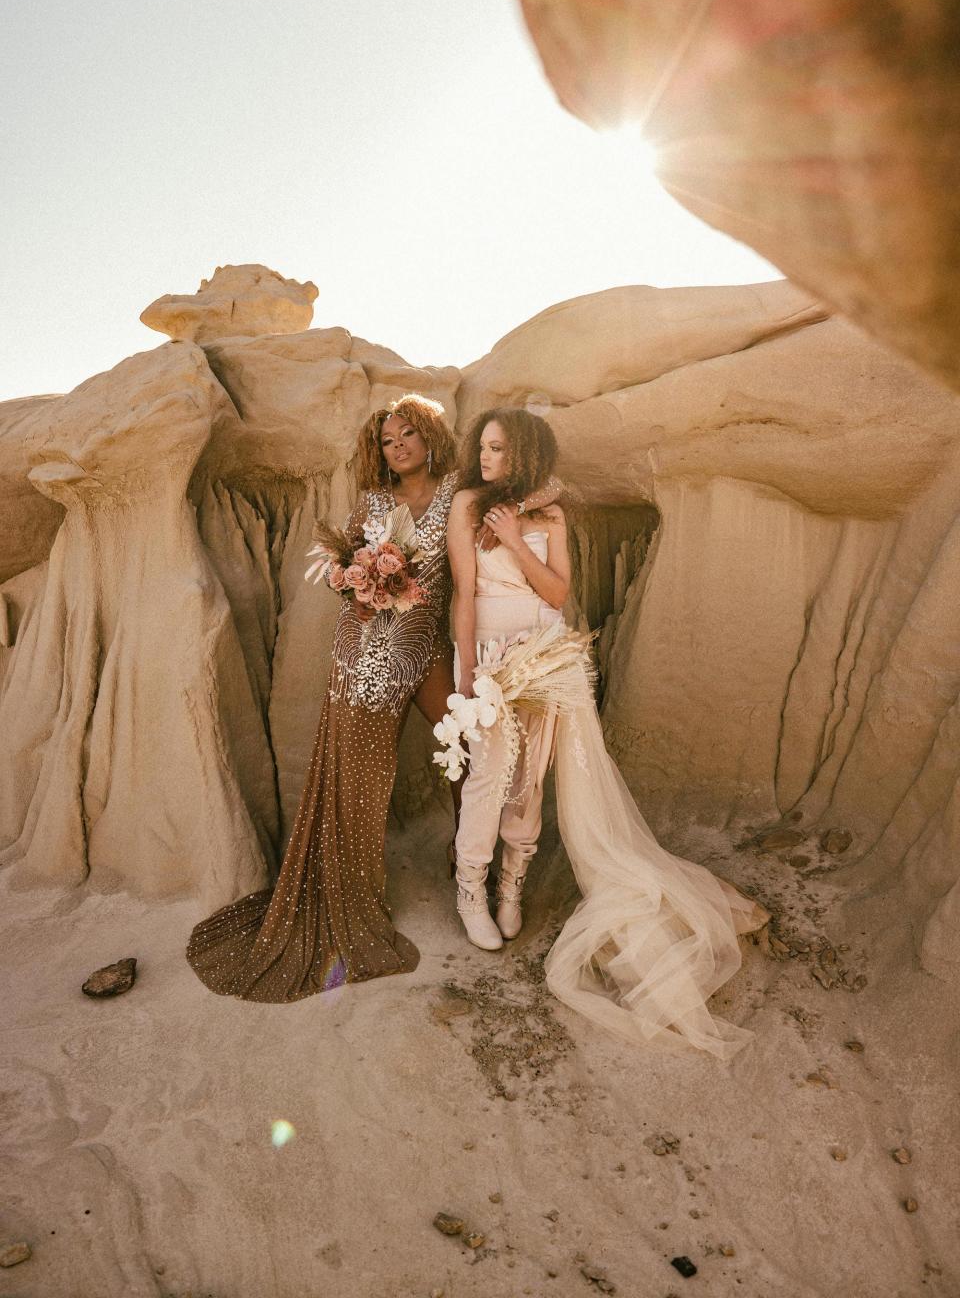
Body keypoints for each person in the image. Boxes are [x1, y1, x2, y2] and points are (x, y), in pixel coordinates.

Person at [446, 407, 769, 1058]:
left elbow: (558, 591)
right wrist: (465, 672)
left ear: (526, 454)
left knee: (531, 778)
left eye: (498, 449)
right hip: (489, 654)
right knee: (487, 774)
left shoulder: (550, 516)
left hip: (545, 651)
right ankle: (471, 892)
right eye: (482, 447)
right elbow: (463, 591)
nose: (485, 458)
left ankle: (513, 882)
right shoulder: (467, 505)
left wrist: (515, 538)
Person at [186, 394, 461, 1000]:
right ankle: (349, 894)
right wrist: (358, 586)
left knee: (464, 744)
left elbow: (510, 508)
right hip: (367, 650)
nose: (399, 448)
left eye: (408, 434)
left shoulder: (458, 492)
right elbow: (350, 576)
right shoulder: (374, 502)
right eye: (388, 440)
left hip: (430, 641)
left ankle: (469, 860)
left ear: (431, 436)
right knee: (361, 771)